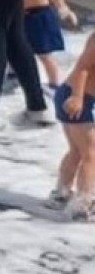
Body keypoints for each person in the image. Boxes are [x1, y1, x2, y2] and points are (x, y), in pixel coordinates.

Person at [49, 27, 95, 220]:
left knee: (77, 151)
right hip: (75, 97)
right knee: (90, 153)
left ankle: (61, 194)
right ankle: (83, 203)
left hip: (80, 97)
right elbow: (82, 67)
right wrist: (77, 97)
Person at [23, 0, 77, 91]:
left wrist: (63, 8)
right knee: (14, 48)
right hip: (19, 14)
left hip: (39, 13)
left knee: (44, 53)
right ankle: (13, 74)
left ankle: (54, 83)